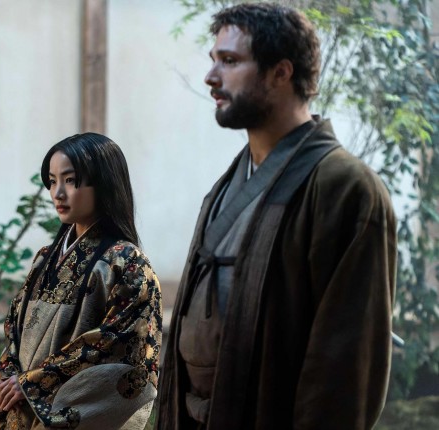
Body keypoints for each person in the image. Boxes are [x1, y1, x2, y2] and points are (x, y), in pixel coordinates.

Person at [156, 3, 397, 429]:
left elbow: (344, 373)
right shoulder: (227, 184)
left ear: (280, 73)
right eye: (214, 60)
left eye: (230, 61)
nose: (211, 77)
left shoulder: (346, 188)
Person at [0, 133, 162, 429]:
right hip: (22, 411)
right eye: (52, 181)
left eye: (70, 180)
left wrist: (32, 383)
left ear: (104, 182)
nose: (58, 193)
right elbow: (15, 333)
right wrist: (10, 379)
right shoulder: (44, 259)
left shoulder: (127, 263)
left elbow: (115, 346)